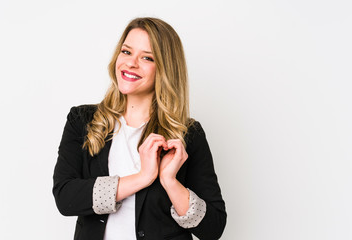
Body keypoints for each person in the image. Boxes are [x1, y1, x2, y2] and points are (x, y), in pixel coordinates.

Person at [52, 17, 227, 240]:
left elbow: (213, 229)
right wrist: (143, 177)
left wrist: (170, 182)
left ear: (165, 69)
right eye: (126, 52)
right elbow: (65, 198)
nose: (131, 63)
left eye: (147, 57)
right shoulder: (82, 120)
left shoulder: (187, 134)